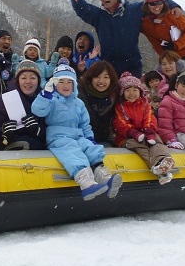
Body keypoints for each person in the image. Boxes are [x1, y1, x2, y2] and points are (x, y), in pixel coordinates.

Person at [32, 59, 122, 200]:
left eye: (69, 82)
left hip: (77, 135)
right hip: (58, 137)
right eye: (61, 82)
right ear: (55, 84)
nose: (66, 86)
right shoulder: (51, 100)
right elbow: (38, 110)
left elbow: (85, 124)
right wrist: (45, 94)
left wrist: (89, 139)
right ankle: (86, 183)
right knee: (72, 151)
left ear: (74, 84)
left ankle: (104, 178)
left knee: (90, 148)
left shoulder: (78, 103)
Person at [70, 0, 182, 78]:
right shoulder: (100, 16)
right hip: (109, 66)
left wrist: (174, 6)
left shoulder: (133, 10)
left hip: (132, 65)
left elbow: (154, 1)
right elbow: (83, 10)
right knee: (111, 100)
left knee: (132, 99)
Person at [112, 72, 176, 185]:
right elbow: (120, 123)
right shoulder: (120, 107)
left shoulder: (145, 104)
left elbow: (150, 118)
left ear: (140, 91)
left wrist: (149, 130)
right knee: (140, 146)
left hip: (146, 133)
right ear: (122, 93)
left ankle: (163, 160)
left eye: (135, 90)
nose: (131, 93)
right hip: (127, 137)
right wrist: (133, 133)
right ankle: (157, 168)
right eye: (128, 90)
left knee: (156, 142)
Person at [0, 60, 47, 150]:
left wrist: (38, 130)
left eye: (33, 78)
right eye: (23, 78)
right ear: (17, 80)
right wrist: (1, 133)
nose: (28, 82)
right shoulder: (2, 101)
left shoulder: (45, 102)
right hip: (7, 153)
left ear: (38, 81)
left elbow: (51, 129)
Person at [141, 0, 185, 70]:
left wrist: (176, 45)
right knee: (167, 81)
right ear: (146, 5)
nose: (157, 6)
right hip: (167, 57)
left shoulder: (173, 14)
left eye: (160, 2)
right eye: (153, 3)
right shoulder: (144, 22)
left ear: (164, 2)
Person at [77, 61, 119, 145]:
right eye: (97, 77)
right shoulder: (79, 96)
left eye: (106, 77)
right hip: (82, 141)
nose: (101, 81)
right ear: (91, 78)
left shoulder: (116, 96)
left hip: (107, 142)